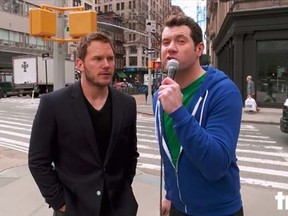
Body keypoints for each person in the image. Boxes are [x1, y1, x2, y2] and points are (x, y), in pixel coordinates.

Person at [28, 32, 139, 216]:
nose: (106, 65)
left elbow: (130, 154)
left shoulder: (127, 103)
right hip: (74, 209)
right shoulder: (53, 104)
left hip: (118, 207)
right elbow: (38, 161)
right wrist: (60, 202)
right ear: (80, 64)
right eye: (97, 59)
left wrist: (123, 188)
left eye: (110, 58)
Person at [153, 15, 243, 216]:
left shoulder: (223, 92)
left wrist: (178, 112)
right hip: (177, 207)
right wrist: (169, 193)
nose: (171, 47)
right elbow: (169, 152)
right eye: (166, 42)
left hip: (218, 210)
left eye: (181, 41)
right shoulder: (159, 96)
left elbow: (216, 165)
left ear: (199, 49)